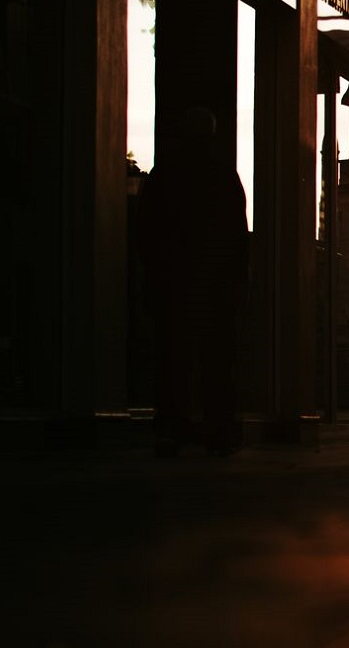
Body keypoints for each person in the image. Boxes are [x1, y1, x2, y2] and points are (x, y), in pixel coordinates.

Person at [138, 106, 249, 457]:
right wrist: (237, 278)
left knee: (174, 358)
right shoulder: (222, 177)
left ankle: (173, 427)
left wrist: (153, 277)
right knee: (216, 361)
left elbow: (148, 232)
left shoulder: (164, 175)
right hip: (213, 284)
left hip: (177, 281)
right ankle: (218, 429)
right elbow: (237, 234)